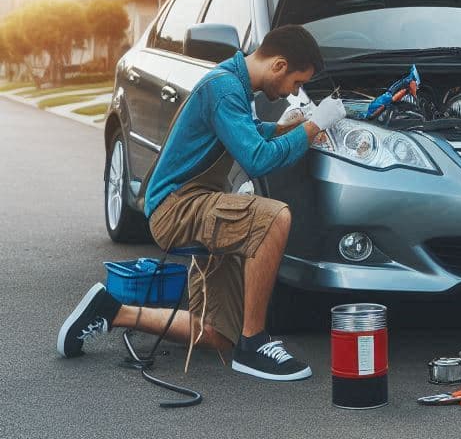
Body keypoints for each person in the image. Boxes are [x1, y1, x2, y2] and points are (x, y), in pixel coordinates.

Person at [57, 24, 347, 382]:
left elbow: (249, 136)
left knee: (216, 334)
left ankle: (111, 310)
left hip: (198, 201)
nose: (294, 91)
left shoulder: (234, 85)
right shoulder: (223, 88)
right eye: (297, 83)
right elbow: (257, 159)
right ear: (279, 65)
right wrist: (313, 126)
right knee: (273, 218)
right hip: (176, 207)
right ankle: (254, 343)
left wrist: (287, 127)